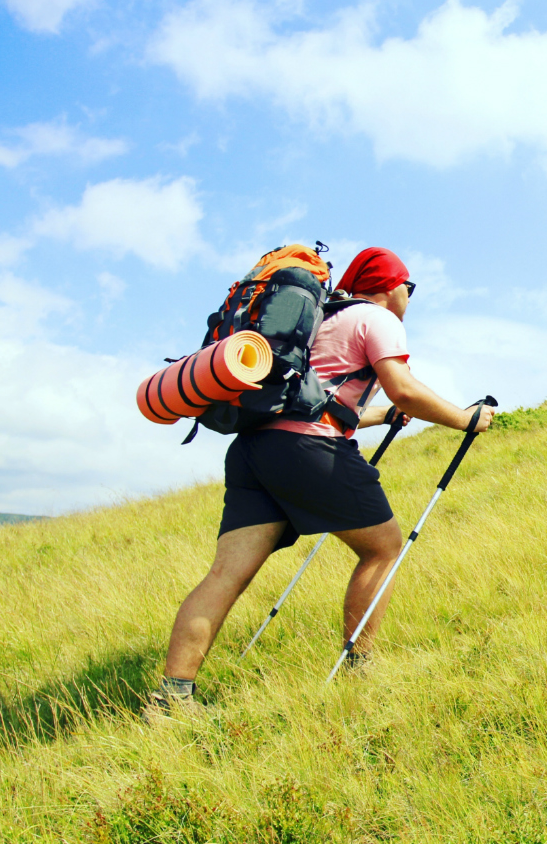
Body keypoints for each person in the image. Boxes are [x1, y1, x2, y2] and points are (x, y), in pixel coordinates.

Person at [145, 247, 493, 718]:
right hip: (308, 451)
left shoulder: (318, 320)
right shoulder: (379, 318)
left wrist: (383, 417)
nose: (410, 297)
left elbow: (317, 401)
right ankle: (360, 669)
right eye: (410, 287)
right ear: (391, 286)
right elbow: (404, 386)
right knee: (384, 548)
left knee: (225, 575)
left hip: (253, 450)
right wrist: (466, 419)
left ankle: (172, 697)